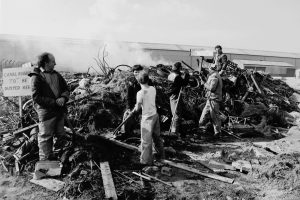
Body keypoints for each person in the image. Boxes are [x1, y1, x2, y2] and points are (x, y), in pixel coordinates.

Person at [29, 52, 70, 161]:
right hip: (46, 113)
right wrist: (54, 102)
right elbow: (36, 97)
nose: (55, 63)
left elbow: (66, 89)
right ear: (46, 63)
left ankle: (60, 160)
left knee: (61, 135)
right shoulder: (36, 77)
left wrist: (63, 98)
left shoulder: (57, 75)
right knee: (45, 137)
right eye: (53, 61)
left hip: (59, 112)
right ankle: (45, 164)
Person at [131, 71, 165, 165]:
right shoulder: (153, 89)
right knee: (157, 137)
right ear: (148, 79)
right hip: (155, 115)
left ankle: (145, 161)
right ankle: (161, 157)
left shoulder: (140, 93)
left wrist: (133, 111)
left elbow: (137, 107)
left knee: (146, 141)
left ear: (138, 81)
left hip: (147, 118)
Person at [120, 65, 153, 137]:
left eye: (138, 72)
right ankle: (125, 133)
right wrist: (129, 108)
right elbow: (129, 97)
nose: (136, 74)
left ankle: (147, 135)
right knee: (127, 115)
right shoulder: (132, 84)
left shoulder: (148, 82)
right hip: (135, 105)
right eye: (135, 72)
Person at [199, 63, 223, 137]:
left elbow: (212, 88)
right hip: (210, 99)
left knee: (215, 116)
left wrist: (204, 83)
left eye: (209, 69)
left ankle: (217, 132)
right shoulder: (214, 75)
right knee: (204, 113)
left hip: (214, 99)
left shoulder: (214, 76)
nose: (208, 70)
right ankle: (200, 127)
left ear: (212, 69)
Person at [167, 62, 189, 139]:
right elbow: (184, 83)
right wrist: (187, 75)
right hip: (175, 95)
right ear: (179, 68)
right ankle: (174, 132)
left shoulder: (171, 74)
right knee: (176, 114)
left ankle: (179, 131)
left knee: (178, 112)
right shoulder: (177, 76)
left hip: (172, 95)